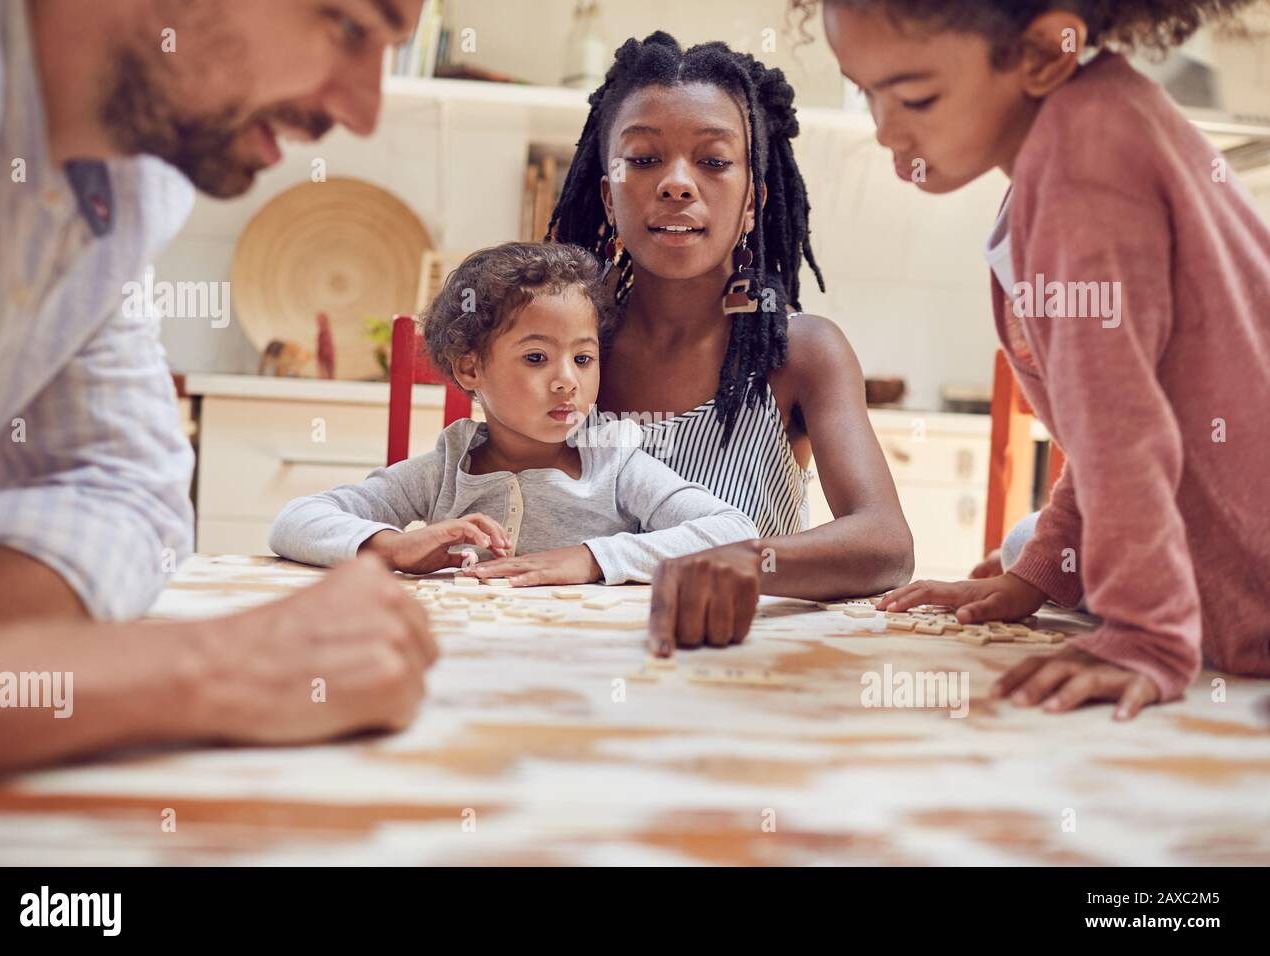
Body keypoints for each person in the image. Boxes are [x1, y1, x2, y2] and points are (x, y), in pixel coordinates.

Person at [0, 0, 437, 778]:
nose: (362, 112)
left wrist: (8, 676)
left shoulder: (123, 193)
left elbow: (118, 490)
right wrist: (217, 666)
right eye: (350, 24)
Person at [799, 0, 1270, 717]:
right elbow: (1105, 428)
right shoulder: (1081, 135)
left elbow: (1121, 428)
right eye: (867, 92)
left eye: (916, 96)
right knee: (1028, 540)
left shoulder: (1084, 163)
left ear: (1045, 53)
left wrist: (1147, 635)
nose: (885, 128)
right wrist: (1039, 573)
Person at [547, 33, 915, 656]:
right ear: (608, 197)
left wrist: (747, 560)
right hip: (568, 664)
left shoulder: (801, 353)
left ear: (753, 201)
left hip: (735, 674)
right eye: (642, 160)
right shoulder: (562, 350)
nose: (677, 184)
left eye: (714, 162)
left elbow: (885, 544)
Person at [270, 242, 760, 583]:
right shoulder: (447, 469)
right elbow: (295, 520)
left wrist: (593, 559)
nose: (568, 379)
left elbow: (733, 532)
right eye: (535, 358)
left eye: (583, 358)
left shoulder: (615, 463)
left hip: (590, 665)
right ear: (470, 369)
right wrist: (392, 547)